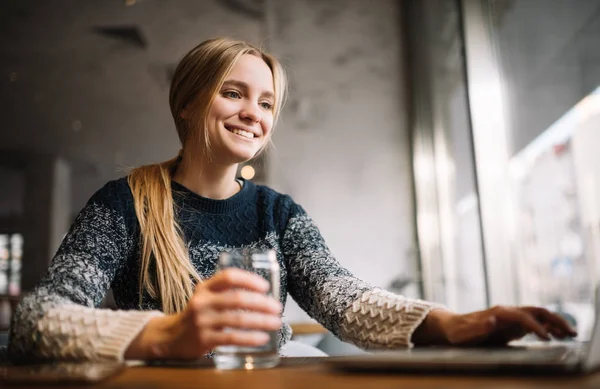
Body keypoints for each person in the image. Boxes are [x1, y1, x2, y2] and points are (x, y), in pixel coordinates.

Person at [7, 37, 576, 363]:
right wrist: (165, 335)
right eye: (233, 93)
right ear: (186, 103)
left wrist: (454, 323)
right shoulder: (123, 204)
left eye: (267, 102)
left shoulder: (278, 213)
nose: (254, 112)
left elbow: (345, 303)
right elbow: (37, 321)